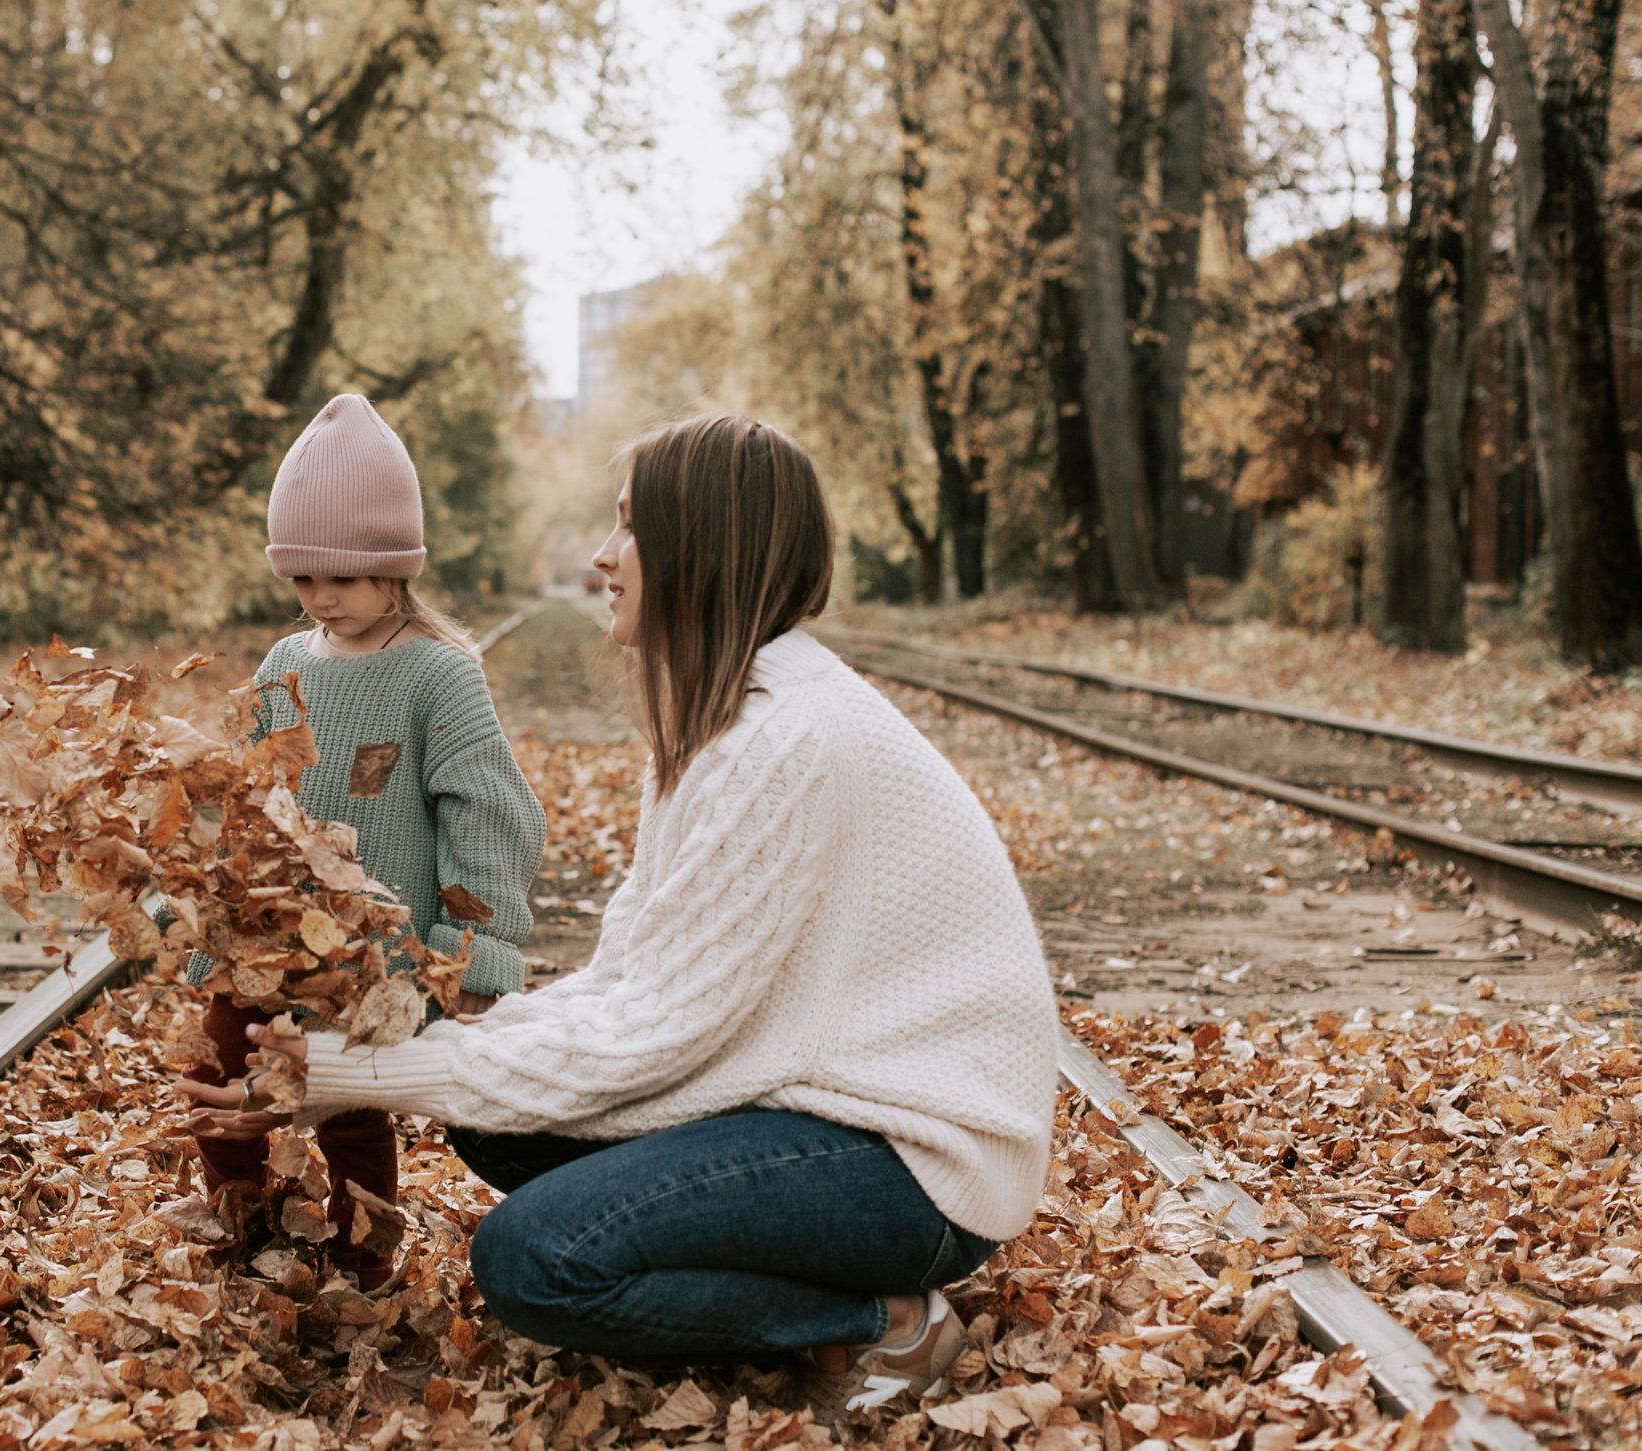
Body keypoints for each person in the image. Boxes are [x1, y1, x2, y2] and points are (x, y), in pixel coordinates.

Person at [187, 414, 1057, 1421]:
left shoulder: (784, 741)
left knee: (532, 1262)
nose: (601, 556)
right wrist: (411, 1053)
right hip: (808, 1100)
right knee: (497, 1119)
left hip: (909, 1165)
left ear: (703, 547)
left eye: (629, 529)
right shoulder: (720, 714)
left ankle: (880, 1320)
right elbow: (629, 989)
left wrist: (344, 1074)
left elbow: (655, 1035)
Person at [176, 393, 544, 1292]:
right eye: (301, 579)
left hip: (372, 953)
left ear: (392, 565)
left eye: (338, 576)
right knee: (220, 1076)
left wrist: (472, 955)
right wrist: (206, 913)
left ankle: (363, 1256)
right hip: (267, 940)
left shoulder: (437, 676)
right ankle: (244, 1227)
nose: (319, 598)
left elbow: (488, 814)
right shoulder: (285, 663)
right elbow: (249, 797)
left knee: (346, 1108)